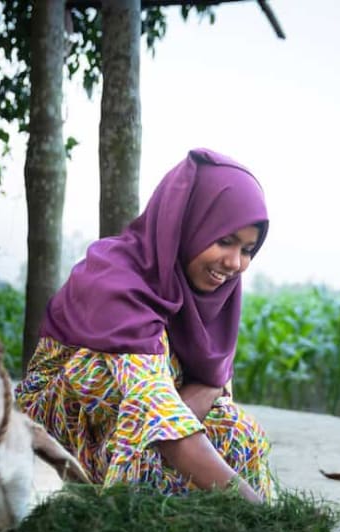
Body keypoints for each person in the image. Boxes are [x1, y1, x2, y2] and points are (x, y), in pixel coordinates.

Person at [16, 148, 273, 503]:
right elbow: (154, 408)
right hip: (63, 413)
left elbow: (212, 387)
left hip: (148, 411)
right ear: (188, 225)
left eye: (248, 249)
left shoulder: (215, 296)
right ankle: (117, 513)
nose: (234, 263)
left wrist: (196, 399)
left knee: (238, 431)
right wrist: (259, 512)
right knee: (127, 394)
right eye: (224, 240)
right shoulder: (114, 279)